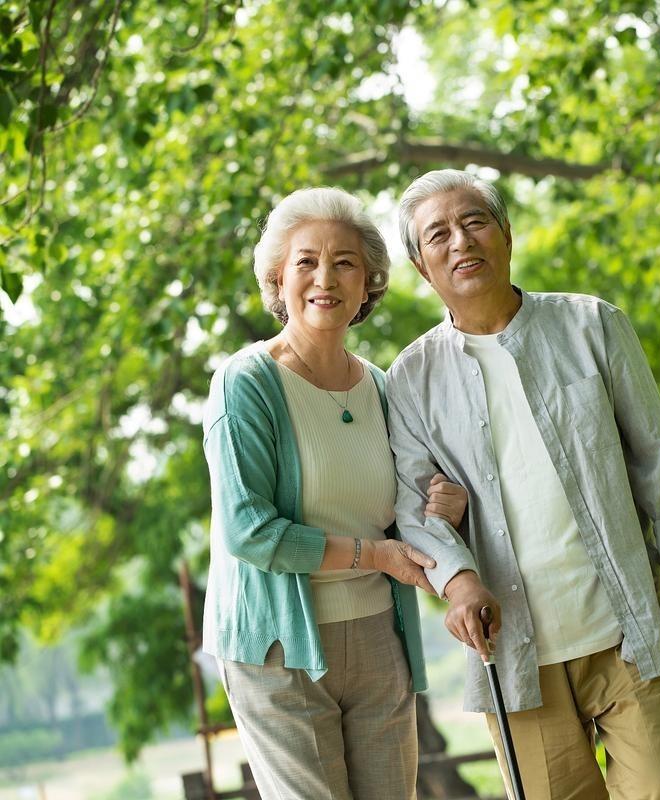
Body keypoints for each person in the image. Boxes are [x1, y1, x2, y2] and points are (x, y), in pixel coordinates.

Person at [386, 169, 660, 799]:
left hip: (628, 629)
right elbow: (415, 508)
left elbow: (658, 459)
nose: (461, 242)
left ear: (506, 233)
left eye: (475, 222)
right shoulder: (410, 380)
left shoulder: (593, 325)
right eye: (439, 235)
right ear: (421, 266)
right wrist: (459, 583)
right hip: (513, 655)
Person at [201, 186, 468, 800]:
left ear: (369, 283)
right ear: (277, 277)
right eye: (306, 261)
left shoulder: (380, 387)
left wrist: (440, 511)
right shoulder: (247, 383)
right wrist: (375, 556)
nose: (326, 278)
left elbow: (401, 511)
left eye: (345, 262)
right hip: (278, 650)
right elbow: (249, 532)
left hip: (378, 636)